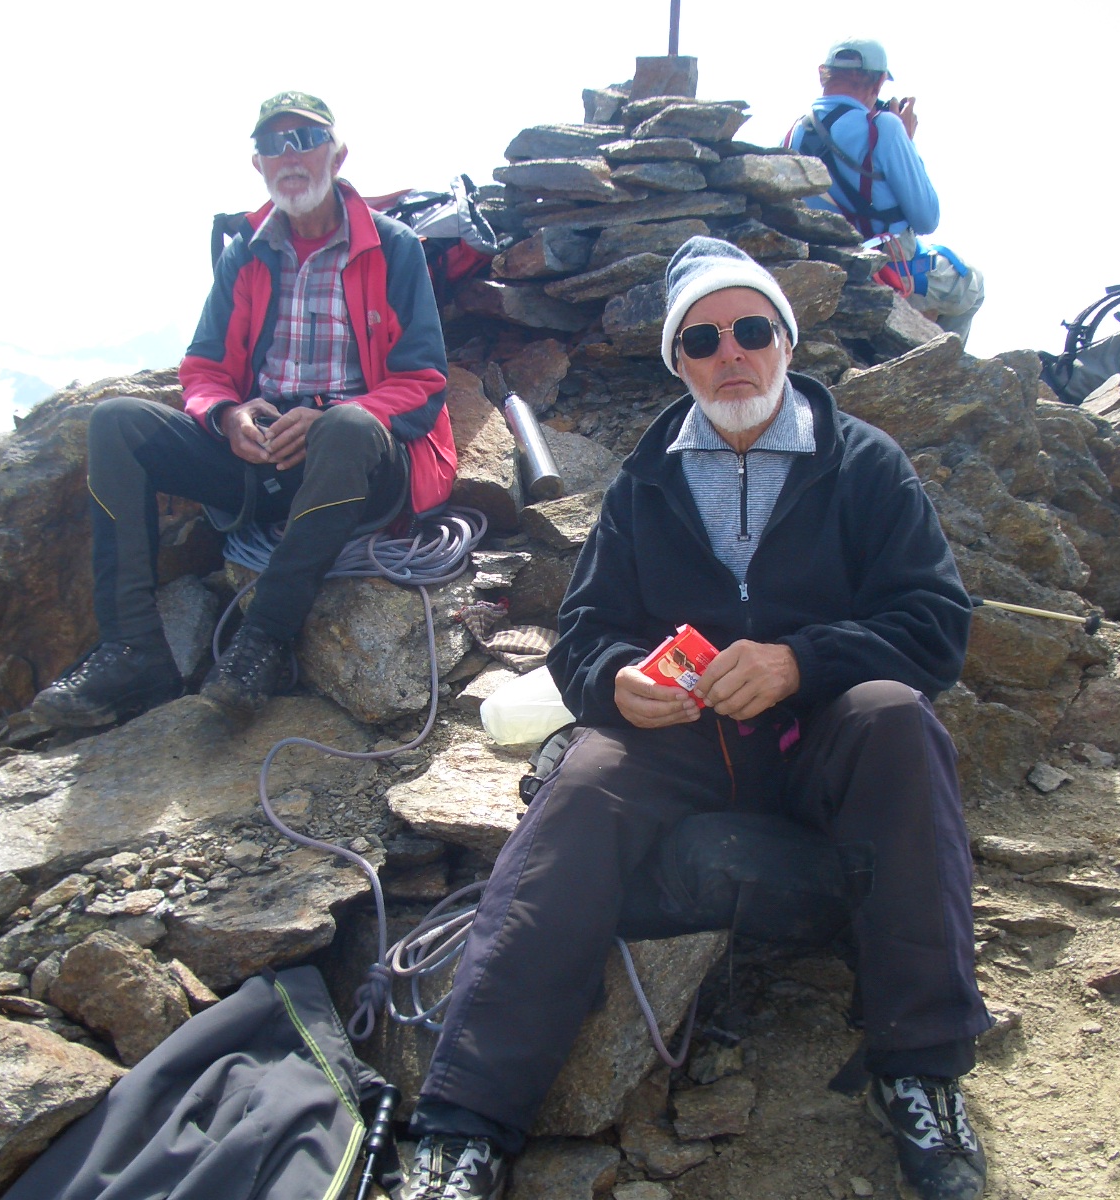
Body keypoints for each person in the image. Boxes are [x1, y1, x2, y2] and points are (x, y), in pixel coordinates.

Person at [399, 238, 993, 1200]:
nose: (731, 354)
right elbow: (583, 634)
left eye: (751, 329)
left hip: (824, 735)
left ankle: (921, 1069)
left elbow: (935, 628)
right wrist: (616, 681)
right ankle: (463, 1123)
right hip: (684, 734)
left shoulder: (864, 465)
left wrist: (802, 661)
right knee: (585, 784)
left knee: (896, 717)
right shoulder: (647, 481)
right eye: (703, 340)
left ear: (786, 342)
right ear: (679, 362)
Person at [31, 91, 454, 728]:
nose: (290, 156)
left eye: (305, 139)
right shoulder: (246, 252)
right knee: (117, 423)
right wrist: (227, 417)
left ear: (337, 154)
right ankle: (132, 652)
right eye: (272, 144)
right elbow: (204, 369)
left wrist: (330, 415)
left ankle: (263, 642)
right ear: (257, 164)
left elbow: (422, 380)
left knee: (344, 427)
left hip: (356, 461)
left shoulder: (392, 247)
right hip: (264, 456)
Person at [787, 37, 986, 343]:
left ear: (822, 74)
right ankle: (941, 362)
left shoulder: (792, 135)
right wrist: (907, 140)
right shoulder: (884, 128)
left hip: (824, 262)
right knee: (972, 284)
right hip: (888, 266)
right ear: (879, 82)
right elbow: (927, 218)